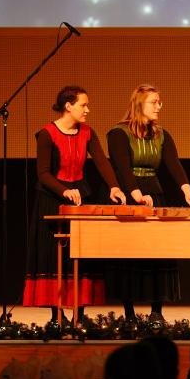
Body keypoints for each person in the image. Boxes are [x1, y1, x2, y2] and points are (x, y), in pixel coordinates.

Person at [23, 85, 126, 323]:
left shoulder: (87, 132)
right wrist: (64, 190)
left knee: (82, 255)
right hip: (52, 199)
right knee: (54, 256)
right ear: (68, 106)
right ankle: (56, 314)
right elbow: (43, 173)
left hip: (80, 197)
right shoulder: (47, 134)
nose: (87, 110)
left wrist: (114, 186)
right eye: (83, 105)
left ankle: (79, 314)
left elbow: (101, 162)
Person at [106, 84, 190, 321]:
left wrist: (187, 191)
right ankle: (129, 313)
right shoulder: (119, 133)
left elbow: (174, 164)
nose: (159, 106)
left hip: (154, 194)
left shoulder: (161, 134)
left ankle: (156, 311)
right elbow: (122, 168)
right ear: (139, 105)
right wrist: (136, 195)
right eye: (154, 102)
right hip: (130, 196)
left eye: (159, 102)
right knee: (129, 255)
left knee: (158, 253)